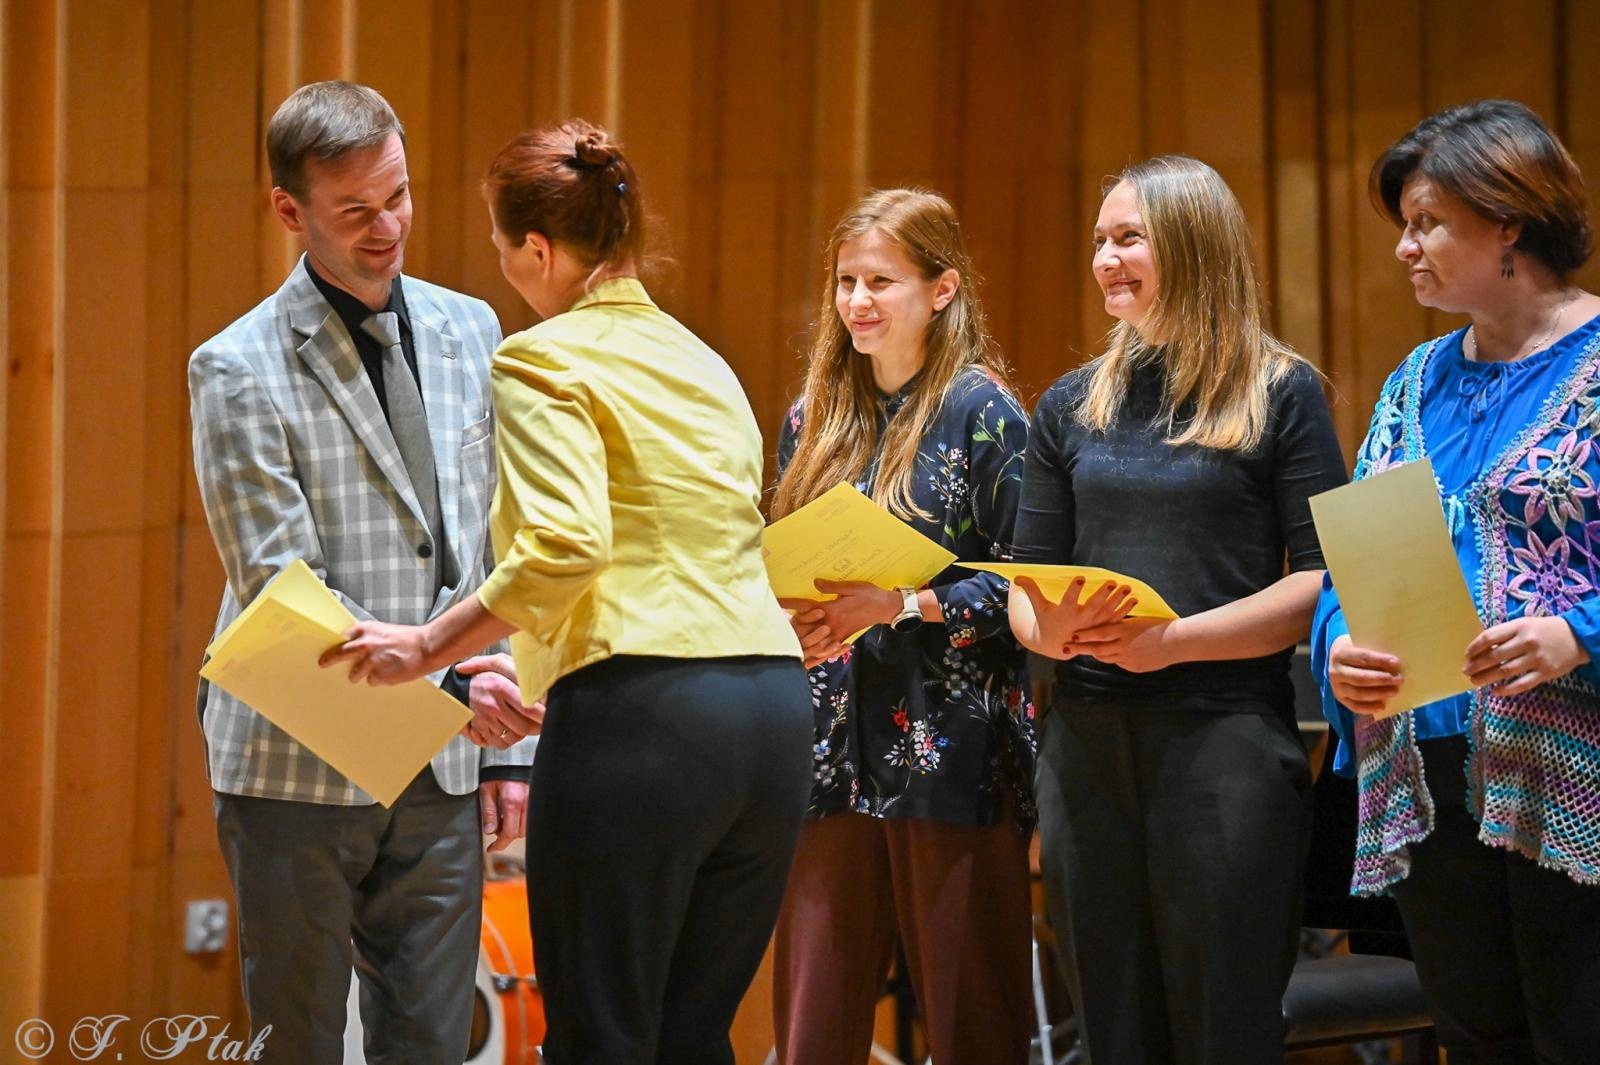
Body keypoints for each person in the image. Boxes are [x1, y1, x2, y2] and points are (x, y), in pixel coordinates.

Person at [322, 120, 813, 1065]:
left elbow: (564, 547)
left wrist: (427, 649)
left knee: (600, 1039)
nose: (506, 267)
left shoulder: (542, 358)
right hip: (774, 717)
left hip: (647, 717)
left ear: (540, 250)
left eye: (506, 250)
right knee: (692, 1036)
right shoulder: (703, 359)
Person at [188, 81, 537, 1065]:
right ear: (289, 211)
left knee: (429, 1041)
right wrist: (452, 685)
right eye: (355, 211)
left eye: (400, 196)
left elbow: (497, 547)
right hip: (298, 762)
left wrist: (505, 750)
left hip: (446, 761)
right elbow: (278, 588)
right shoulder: (238, 366)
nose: (388, 227)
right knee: (299, 1040)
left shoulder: (474, 327)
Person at [1009, 155, 1347, 1064]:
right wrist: (1049, 627)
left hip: (1225, 743)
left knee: (1222, 1029)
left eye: (1129, 238)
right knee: (1114, 1033)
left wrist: (1175, 643)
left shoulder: (1282, 391)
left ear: (1193, 246)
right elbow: (1024, 585)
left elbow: (1324, 579)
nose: (1106, 259)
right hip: (1083, 747)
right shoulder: (1068, 404)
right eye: (1098, 242)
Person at [1314, 99, 1600, 1064]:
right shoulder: (1411, 378)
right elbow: (1351, 561)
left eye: (1428, 221)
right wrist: (1338, 646)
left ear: (1510, 218)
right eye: (1405, 224)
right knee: (1475, 1035)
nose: (1406, 247)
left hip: (1574, 756)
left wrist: (1579, 632)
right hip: (1427, 759)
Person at [769, 187, 1037, 1065]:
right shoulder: (812, 418)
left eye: (881, 280)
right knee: (814, 1030)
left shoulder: (984, 411)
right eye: (846, 280)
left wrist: (907, 602)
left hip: (950, 753)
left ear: (943, 289)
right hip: (827, 750)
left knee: (974, 1025)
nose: (857, 302)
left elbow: (1025, 590)